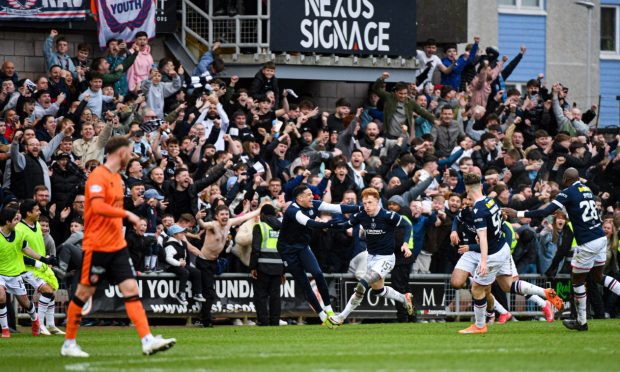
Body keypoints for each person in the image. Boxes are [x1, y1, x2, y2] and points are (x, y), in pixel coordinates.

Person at [60, 136, 176, 357]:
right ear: (121, 152)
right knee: (84, 293)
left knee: (131, 289)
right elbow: (96, 206)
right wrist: (127, 214)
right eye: (130, 152)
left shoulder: (115, 178)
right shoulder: (98, 176)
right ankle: (69, 344)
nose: (132, 156)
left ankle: (147, 339)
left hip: (117, 245)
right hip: (98, 246)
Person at [504, 168, 620, 331]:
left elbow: (545, 211)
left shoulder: (567, 193)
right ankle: (581, 320)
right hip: (600, 238)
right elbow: (586, 183)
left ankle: (581, 322)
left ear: (566, 179)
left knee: (578, 281)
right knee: (598, 276)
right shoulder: (585, 189)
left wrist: (518, 212)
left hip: (587, 241)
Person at [328, 188, 414, 326]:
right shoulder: (362, 215)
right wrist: (325, 224)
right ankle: (404, 299)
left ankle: (341, 317)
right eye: (365, 203)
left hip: (386, 258)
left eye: (370, 202)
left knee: (362, 283)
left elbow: (407, 226)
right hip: (371, 258)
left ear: (378, 202)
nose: (367, 206)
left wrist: (405, 244)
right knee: (378, 290)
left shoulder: (388, 216)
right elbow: (344, 225)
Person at [277, 185, 359, 328]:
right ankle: (322, 316)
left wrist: (360, 208)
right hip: (287, 251)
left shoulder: (314, 204)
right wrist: (328, 224)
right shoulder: (292, 211)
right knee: (304, 282)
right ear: (299, 198)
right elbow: (309, 223)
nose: (312, 197)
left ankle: (329, 311)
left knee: (318, 273)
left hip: (302, 246)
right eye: (308, 194)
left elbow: (337, 208)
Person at [195, 202, 268, 327]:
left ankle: (205, 317)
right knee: (209, 292)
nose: (225, 216)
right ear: (216, 216)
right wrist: (198, 218)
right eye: (222, 214)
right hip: (204, 261)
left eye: (227, 214)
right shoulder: (213, 225)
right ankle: (205, 320)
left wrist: (261, 208)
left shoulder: (229, 223)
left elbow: (244, 217)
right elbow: (203, 224)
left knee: (209, 292)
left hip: (214, 262)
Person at [0, 207, 56, 338]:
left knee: (25, 303)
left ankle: (35, 319)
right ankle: (5, 330)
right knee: (1, 296)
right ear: (7, 222)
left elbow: (26, 249)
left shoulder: (19, 234)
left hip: (15, 274)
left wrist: (43, 259)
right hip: (1, 274)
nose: (17, 222)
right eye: (15, 219)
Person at [15, 199, 64, 336]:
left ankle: (51, 325)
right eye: (36, 210)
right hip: (27, 268)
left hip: (40, 266)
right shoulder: (19, 229)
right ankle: (40, 324)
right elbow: (17, 253)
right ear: (28, 213)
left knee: (51, 293)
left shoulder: (36, 224)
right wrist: (35, 263)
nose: (39, 212)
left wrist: (46, 259)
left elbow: (37, 247)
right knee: (47, 292)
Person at [249, 204, 284, 326]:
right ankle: (275, 321)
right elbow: (285, 250)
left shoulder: (260, 226)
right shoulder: (281, 228)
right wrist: (284, 270)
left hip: (262, 267)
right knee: (275, 297)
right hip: (278, 267)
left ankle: (263, 321)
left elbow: (256, 249)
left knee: (261, 296)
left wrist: (253, 267)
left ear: (262, 215)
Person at [164, 224, 205, 305]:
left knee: (197, 272)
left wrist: (184, 263)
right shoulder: (170, 244)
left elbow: (185, 256)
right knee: (185, 272)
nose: (183, 233)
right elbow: (168, 259)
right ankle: (181, 294)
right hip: (172, 266)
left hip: (182, 264)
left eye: (183, 232)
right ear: (174, 235)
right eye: (180, 232)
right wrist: (179, 263)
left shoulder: (183, 243)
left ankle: (197, 293)